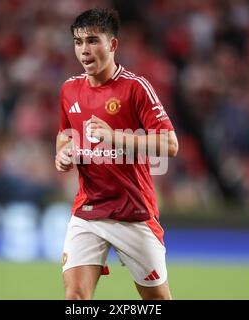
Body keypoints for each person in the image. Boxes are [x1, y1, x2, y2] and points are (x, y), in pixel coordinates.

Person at [55, 8, 178, 300]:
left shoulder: (136, 88)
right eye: (78, 42)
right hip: (88, 211)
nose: (84, 50)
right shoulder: (69, 89)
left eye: (92, 41)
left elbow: (170, 145)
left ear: (112, 45)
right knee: (75, 300)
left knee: (157, 301)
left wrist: (114, 137)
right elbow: (64, 135)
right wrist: (62, 154)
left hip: (133, 214)